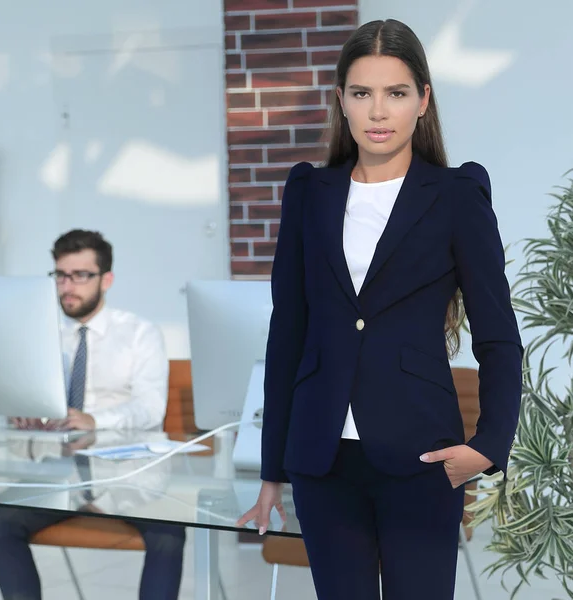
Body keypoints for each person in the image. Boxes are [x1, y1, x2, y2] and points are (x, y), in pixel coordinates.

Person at [237, 19, 523, 600]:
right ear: (340, 101)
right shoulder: (308, 193)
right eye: (362, 93)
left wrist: (490, 446)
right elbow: (287, 331)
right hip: (323, 461)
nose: (378, 110)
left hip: (423, 457)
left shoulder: (456, 195)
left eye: (395, 93)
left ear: (422, 100)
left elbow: (498, 333)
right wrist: (272, 469)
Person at [0, 229, 187, 600]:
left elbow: (150, 408)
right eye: (60, 275)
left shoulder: (139, 333)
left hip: (128, 475)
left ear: (105, 279)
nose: (67, 286)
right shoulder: (39, 333)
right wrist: (21, 412)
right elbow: (15, 396)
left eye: (80, 275)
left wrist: (93, 419)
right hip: (57, 475)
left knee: (168, 531)